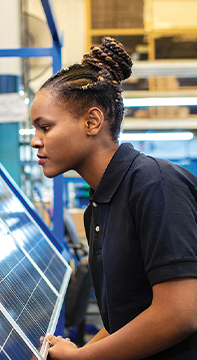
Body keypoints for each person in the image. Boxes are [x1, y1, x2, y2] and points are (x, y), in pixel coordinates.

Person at [30, 36, 197, 360]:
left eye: (45, 127)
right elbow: (129, 315)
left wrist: (82, 358)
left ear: (92, 121)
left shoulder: (154, 184)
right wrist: (82, 352)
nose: (36, 141)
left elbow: (180, 313)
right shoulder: (101, 204)